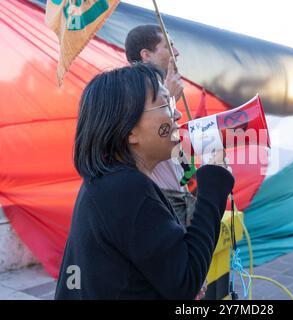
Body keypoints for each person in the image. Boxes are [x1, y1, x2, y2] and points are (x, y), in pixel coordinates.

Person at [54, 63, 234, 299]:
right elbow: (185, 282)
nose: (177, 114)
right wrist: (214, 183)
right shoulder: (127, 189)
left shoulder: (107, 181)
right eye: (165, 105)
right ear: (129, 130)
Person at [125, 24, 196, 227]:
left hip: (177, 197)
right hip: (163, 201)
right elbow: (149, 136)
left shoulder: (155, 89)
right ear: (146, 55)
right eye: (168, 45)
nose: (176, 52)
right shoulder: (131, 92)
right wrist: (171, 99)